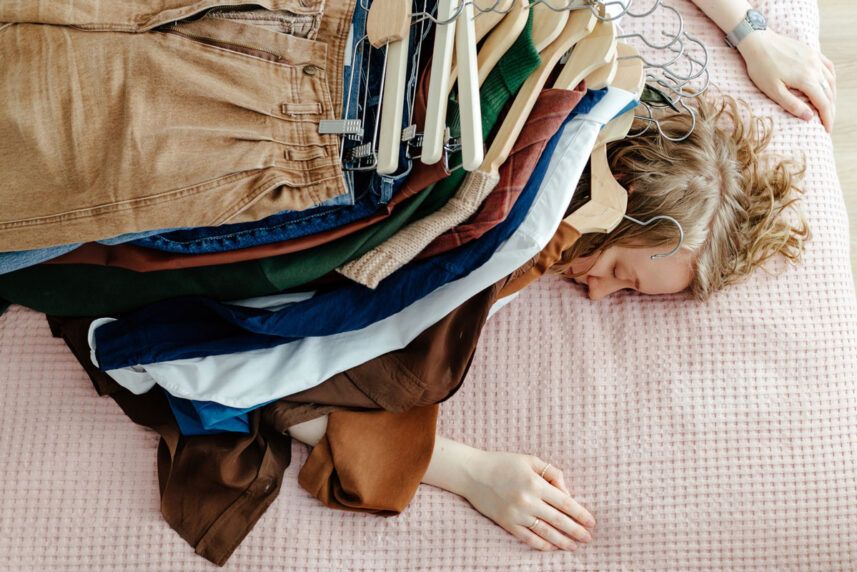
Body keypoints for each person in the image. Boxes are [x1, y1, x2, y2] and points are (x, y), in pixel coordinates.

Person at [287, 0, 829, 554]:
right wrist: (468, 472)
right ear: (621, 189)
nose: (598, 292)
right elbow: (275, 382)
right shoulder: (513, 211)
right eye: (620, 272)